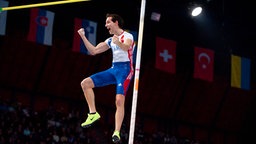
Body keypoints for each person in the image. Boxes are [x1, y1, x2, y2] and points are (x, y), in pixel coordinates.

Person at [77, 13, 135, 143]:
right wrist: (83, 36)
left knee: (119, 101)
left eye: (108, 22)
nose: (106, 25)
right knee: (85, 83)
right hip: (114, 69)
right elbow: (94, 51)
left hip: (125, 70)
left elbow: (126, 47)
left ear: (116, 23)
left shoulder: (128, 36)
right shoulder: (110, 40)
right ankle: (93, 113)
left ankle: (117, 132)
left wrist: (117, 42)